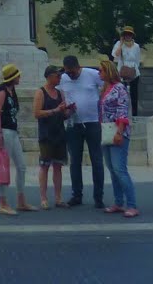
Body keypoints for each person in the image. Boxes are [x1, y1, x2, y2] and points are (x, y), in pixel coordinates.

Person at [59, 55, 105, 208]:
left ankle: (98, 196)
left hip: (92, 122)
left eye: (72, 72)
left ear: (79, 67)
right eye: (68, 73)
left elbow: (105, 87)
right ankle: (76, 195)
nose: (70, 76)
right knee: (75, 161)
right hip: (74, 124)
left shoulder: (91, 74)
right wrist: (66, 110)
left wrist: (100, 104)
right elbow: (62, 97)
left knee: (97, 159)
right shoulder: (63, 78)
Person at [0, 64, 36, 215]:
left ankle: (21, 200)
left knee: (21, 166)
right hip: (4, 131)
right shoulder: (2, 92)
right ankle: (2, 203)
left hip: (12, 130)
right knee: (3, 168)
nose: (20, 77)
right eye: (18, 75)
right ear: (12, 77)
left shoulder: (12, 91)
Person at [98, 59, 139, 218]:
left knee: (120, 169)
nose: (99, 73)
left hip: (117, 131)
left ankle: (132, 204)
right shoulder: (104, 88)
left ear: (108, 71)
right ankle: (118, 201)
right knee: (112, 169)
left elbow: (122, 111)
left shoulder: (119, 88)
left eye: (101, 70)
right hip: (106, 130)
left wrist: (120, 132)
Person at [33, 65, 69, 209]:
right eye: (57, 76)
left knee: (58, 166)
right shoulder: (40, 92)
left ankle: (58, 198)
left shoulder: (60, 93)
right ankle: (43, 198)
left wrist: (68, 111)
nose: (60, 78)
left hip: (60, 133)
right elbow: (36, 113)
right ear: (49, 76)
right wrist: (55, 110)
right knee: (45, 165)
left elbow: (63, 114)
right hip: (46, 134)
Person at [111, 26, 141, 117]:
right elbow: (115, 55)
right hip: (122, 70)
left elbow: (137, 59)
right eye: (126, 34)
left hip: (133, 70)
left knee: (134, 94)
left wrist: (134, 69)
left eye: (130, 34)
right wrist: (120, 44)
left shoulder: (136, 46)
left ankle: (135, 114)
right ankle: (122, 114)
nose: (128, 36)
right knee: (122, 94)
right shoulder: (119, 44)